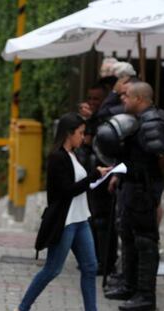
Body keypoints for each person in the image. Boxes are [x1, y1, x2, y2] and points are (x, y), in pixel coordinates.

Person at [15, 113, 111, 311]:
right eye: (80, 133)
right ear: (69, 133)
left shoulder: (73, 155)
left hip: (81, 219)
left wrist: (95, 176)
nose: (83, 137)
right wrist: (93, 176)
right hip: (65, 222)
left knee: (90, 267)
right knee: (52, 269)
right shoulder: (57, 157)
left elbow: (78, 185)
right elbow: (66, 191)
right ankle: (23, 307)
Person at [103, 82, 164, 311]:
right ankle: (129, 286)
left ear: (139, 98)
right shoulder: (138, 121)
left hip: (145, 190)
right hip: (132, 187)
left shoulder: (152, 123)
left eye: (127, 96)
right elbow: (133, 156)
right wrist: (119, 175)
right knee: (128, 236)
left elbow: (160, 156)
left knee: (145, 241)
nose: (123, 100)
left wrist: (154, 187)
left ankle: (146, 297)